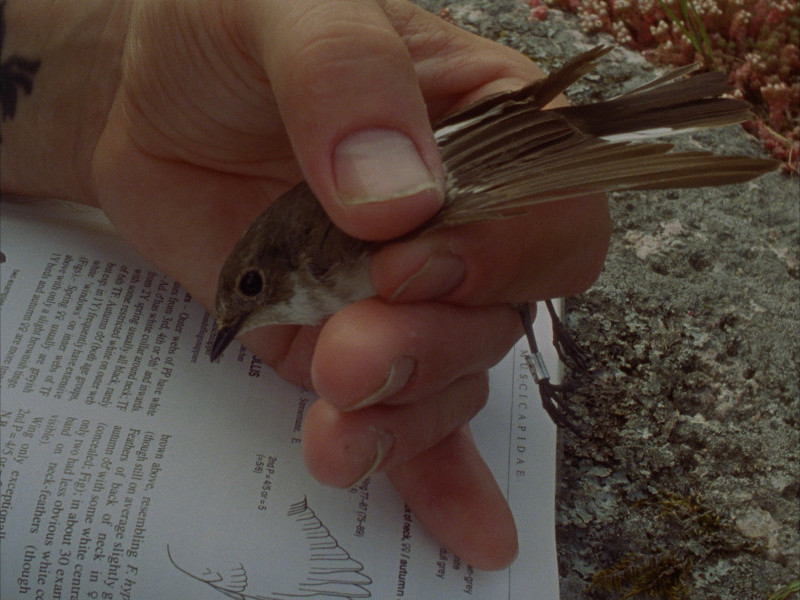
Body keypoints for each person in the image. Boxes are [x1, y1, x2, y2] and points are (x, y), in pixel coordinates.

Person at [2, 0, 609, 569]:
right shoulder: (307, 282)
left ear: (274, 262)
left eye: (249, 287)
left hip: (478, 154)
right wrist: (95, 95)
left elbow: (444, 171)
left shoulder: (318, 254)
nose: (240, 317)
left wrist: (113, 64)